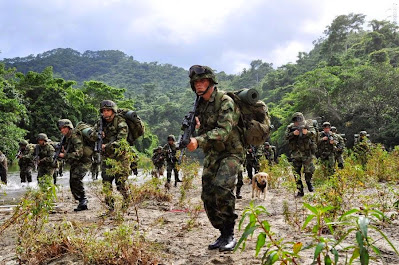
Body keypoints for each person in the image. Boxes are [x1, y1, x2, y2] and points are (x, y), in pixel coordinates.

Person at [186, 65, 244, 252]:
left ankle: (229, 234)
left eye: (202, 81)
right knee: (208, 195)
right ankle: (222, 231)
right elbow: (205, 129)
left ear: (210, 82)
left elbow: (224, 131)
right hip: (213, 153)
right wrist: (194, 128)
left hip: (231, 152)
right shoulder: (200, 104)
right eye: (196, 82)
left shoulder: (225, 101)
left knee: (222, 187)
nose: (199, 85)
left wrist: (199, 139)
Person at [89, 100, 130, 213]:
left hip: (120, 158)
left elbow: (121, 141)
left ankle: (126, 205)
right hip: (106, 158)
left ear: (113, 111)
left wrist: (106, 146)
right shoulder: (100, 122)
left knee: (120, 183)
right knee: (106, 184)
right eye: (103, 111)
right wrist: (97, 135)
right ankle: (110, 208)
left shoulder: (121, 123)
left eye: (108, 110)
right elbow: (91, 135)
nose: (105, 113)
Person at [57, 119, 91, 211]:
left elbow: (79, 153)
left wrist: (65, 155)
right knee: (72, 182)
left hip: (84, 160)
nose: (62, 130)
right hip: (76, 162)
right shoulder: (66, 138)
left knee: (76, 178)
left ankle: (83, 200)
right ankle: (81, 201)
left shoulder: (75, 136)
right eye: (61, 128)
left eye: (64, 128)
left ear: (69, 127)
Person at [285, 112, 316, 197]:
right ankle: (300, 190)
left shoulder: (308, 125)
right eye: (295, 120)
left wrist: (307, 133)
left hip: (306, 153)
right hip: (295, 154)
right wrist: (293, 134)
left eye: (298, 120)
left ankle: (309, 182)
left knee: (309, 170)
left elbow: (314, 134)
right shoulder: (290, 127)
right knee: (296, 173)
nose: (297, 122)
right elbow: (286, 136)